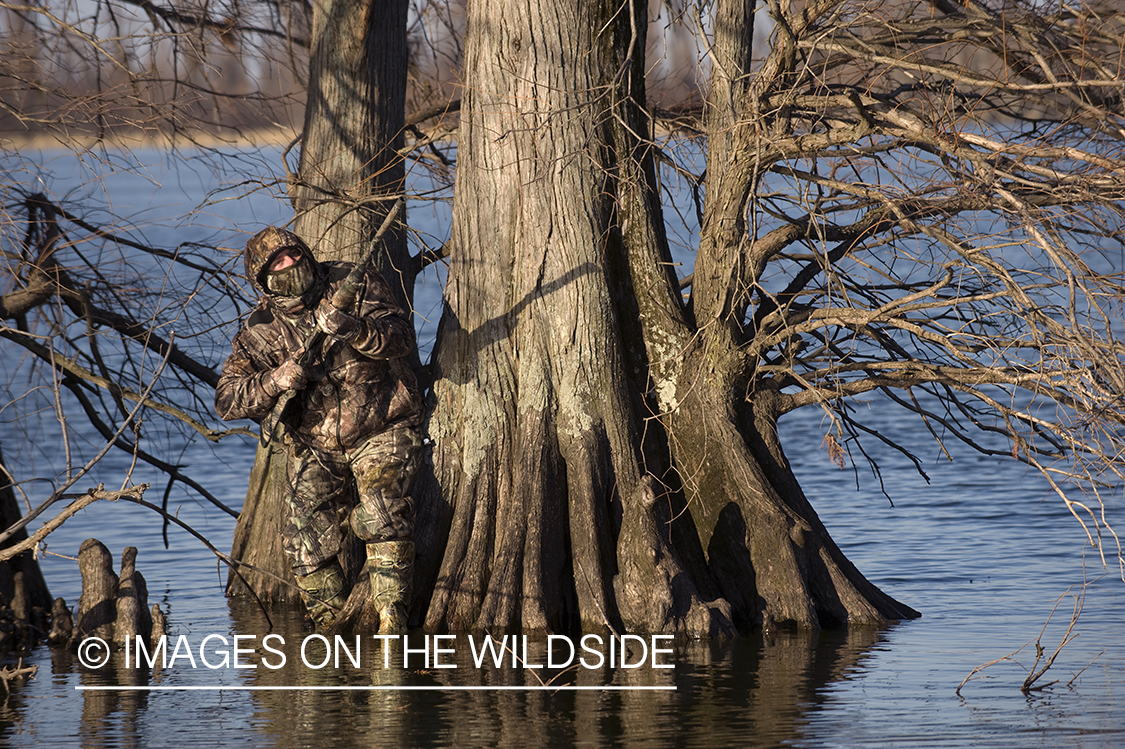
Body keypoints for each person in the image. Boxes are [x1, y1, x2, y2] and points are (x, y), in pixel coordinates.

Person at [215, 226, 423, 633]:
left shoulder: (354, 283)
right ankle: (335, 635)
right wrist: (275, 381)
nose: (290, 265)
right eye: (278, 263)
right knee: (305, 545)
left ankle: (389, 629)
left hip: (383, 424)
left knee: (382, 513)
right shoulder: (258, 330)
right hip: (315, 446)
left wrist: (350, 328)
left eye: (294, 255)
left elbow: (400, 339)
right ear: (262, 277)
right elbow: (226, 400)